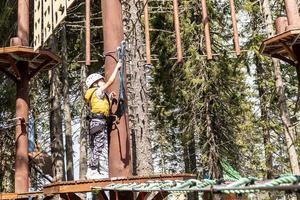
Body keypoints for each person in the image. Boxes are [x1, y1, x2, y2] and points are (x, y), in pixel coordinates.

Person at [84, 61, 121, 179]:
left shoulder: (97, 94)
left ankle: (91, 170)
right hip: (99, 123)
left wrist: (109, 98)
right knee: (98, 145)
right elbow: (110, 82)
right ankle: (93, 170)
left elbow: (104, 108)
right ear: (95, 83)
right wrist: (117, 67)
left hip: (95, 122)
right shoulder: (98, 91)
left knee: (95, 146)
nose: (103, 82)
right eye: (101, 81)